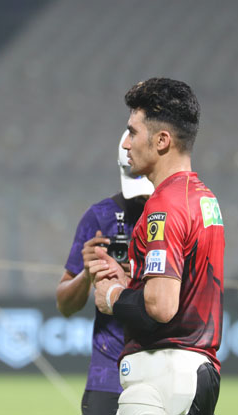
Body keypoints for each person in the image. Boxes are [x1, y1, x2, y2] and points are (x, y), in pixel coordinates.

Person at [93, 78, 224, 415]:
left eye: (133, 132)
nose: (125, 144)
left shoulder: (163, 206)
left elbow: (162, 306)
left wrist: (112, 297)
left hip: (160, 377)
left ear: (162, 140)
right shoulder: (205, 199)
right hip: (196, 372)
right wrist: (133, 278)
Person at [57, 131, 153, 415]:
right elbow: (64, 305)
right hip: (108, 376)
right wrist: (87, 274)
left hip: (160, 371)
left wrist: (133, 274)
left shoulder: (178, 213)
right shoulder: (99, 217)